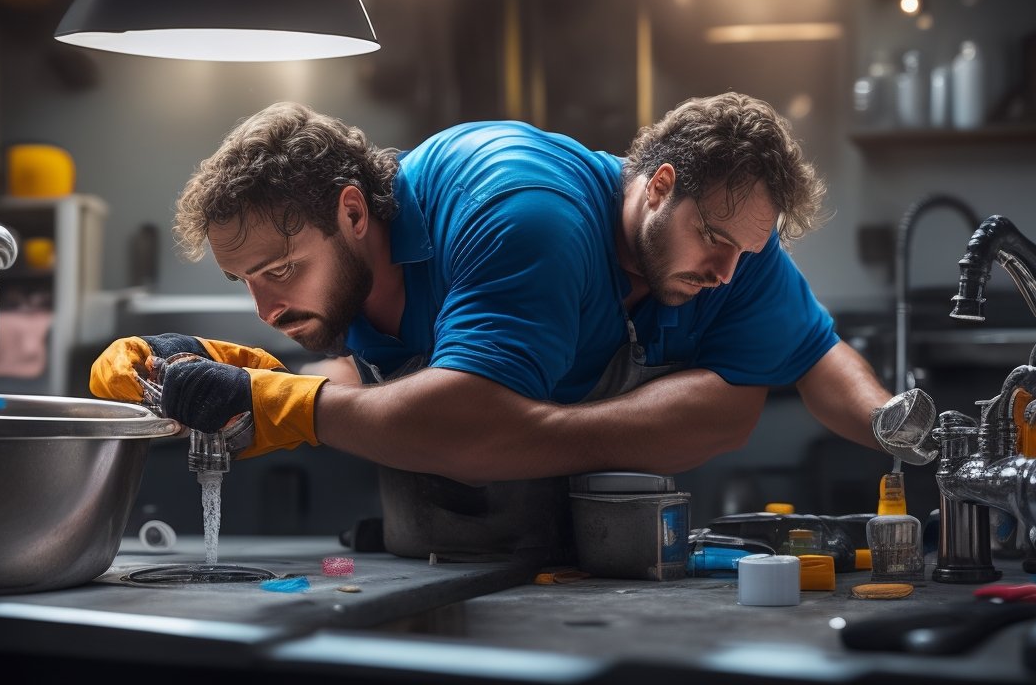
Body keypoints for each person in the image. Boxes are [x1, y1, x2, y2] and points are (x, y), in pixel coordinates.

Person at [91, 94, 899, 562]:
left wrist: (904, 432)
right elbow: (382, 383)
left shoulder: (528, 217)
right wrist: (247, 382)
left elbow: (812, 357)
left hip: (581, 556)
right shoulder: (379, 257)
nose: (268, 309)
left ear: (351, 212)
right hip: (461, 549)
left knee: (728, 395)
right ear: (657, 189)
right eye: (249, 283)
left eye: (281, 273)